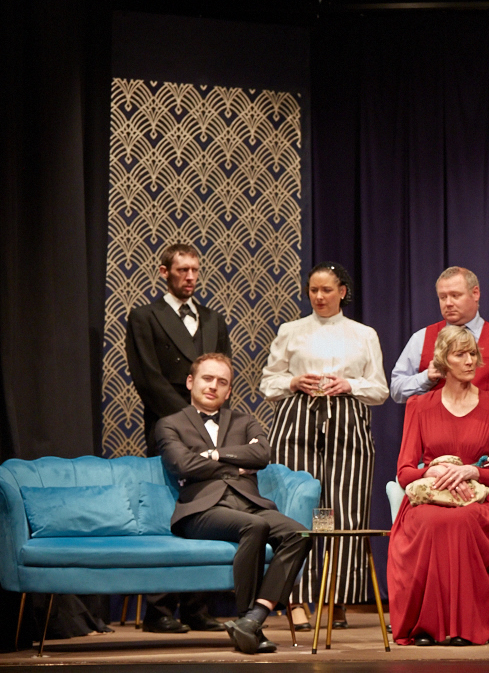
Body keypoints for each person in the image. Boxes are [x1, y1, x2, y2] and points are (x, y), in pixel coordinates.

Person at [260, 262, 389, 631]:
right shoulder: (291, 330)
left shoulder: (363, 334)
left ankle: (336, 597)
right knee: (298, 509)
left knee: (341, 510)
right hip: (297, 423)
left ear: (342, 292)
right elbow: (268, 382)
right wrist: (293, 382)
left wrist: (350, 385)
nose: (318, 296)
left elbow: (379, 389)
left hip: (347, 425)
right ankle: (296, 598)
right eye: (313, 290)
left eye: (326, 290)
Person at [155, 353, 312, 655]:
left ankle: (252, 620)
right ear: (190, 382)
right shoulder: (170, 424)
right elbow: (182, 464)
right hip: (202, 510)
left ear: (228, 391)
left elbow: (261, 455)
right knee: (255, 526)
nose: (213, 386)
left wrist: (214, 455)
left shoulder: (245, 421)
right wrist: (236, 464)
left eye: (222, 382)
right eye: (207, 378)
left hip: (249, 503)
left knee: (299, 533)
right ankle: (247, 621)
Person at [124, 242, 230, 634]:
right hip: (167, 422)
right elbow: (147, 378)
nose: (190, 277)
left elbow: (223, 372)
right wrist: (188, 420)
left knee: (207, 506)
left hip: (211, 425)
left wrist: (207, 418)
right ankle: (158, 609)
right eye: (182, 269)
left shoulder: (213, 319)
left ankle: (196, 608)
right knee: (166, 509)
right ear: (164, 272)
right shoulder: (144, 316)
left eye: (195, 270)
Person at [387, 326, 489, 646]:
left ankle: (464, 627)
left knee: (462, 521)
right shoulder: (419, 406)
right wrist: (433, 470)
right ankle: (425, 626)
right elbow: (404, 473)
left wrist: (471, 471)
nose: (470, 361)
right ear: (443, 360)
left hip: (475, 500)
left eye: (472, 353)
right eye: (460, 354)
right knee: (431, 521)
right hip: (431, 496)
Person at [390, 266, 489, 472]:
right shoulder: (421, 339)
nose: (448, 303)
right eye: (442, 297)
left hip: (487, 457)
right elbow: (396, 390)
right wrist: (426, 378)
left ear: (475, 293)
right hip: (436, 462)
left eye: (455, 295)